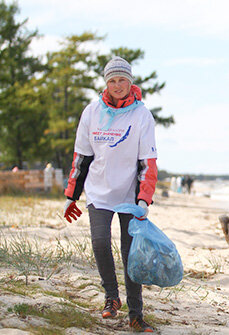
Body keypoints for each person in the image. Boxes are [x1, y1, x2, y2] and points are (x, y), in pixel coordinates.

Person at [62, 57, 157, 333]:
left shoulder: (142, 115)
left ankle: (136, 315)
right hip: (99, 192)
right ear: (106, 82)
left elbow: (148, 163)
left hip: (129, 195)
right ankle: (111, 297)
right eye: (112, 80)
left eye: (122, 80)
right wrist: (72, 195)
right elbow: (81, 158)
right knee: (100, 243)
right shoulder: (92, 112)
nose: (117, 85)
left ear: (130, 82)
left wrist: (143, 200)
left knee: (131, 256)